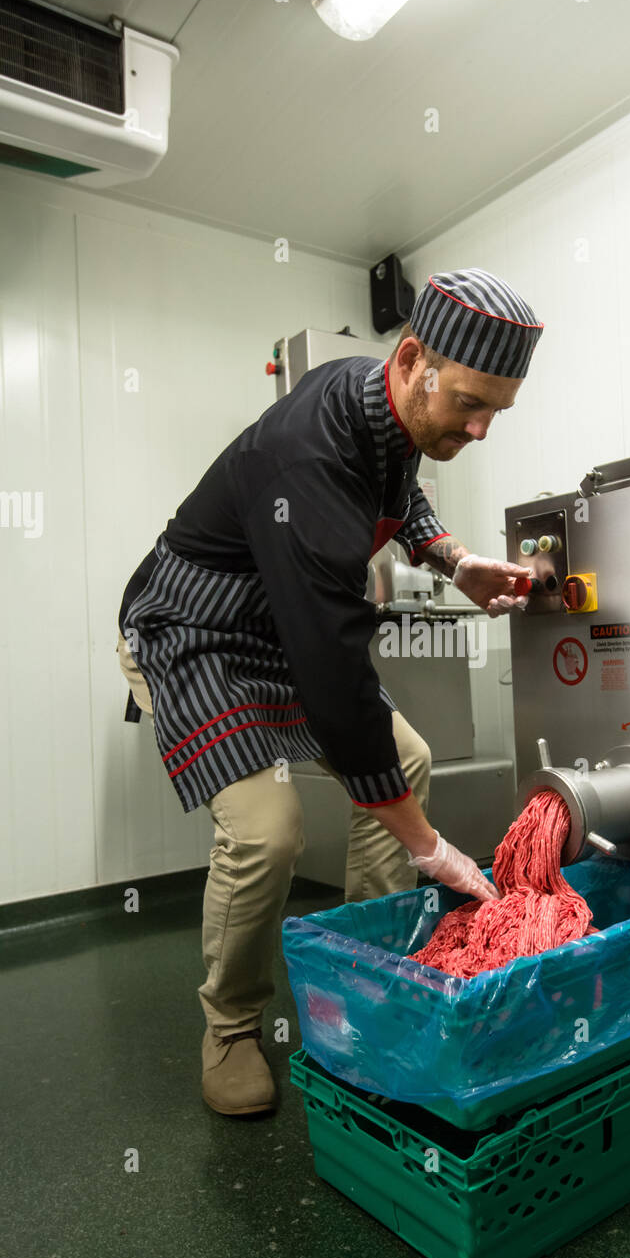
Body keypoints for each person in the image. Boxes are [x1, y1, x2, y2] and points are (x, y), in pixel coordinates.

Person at [116, 267, 543, 1115]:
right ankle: (233, 1025)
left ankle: (368, 967)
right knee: (268, 831)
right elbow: (336, 679)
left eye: (498, 408)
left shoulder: (377, 397)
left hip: (280, 627)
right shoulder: (304, 453)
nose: (483, 427)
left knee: (408, 759)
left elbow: (400, 494)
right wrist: (431, 848)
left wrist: (455, 561)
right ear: (414, 357)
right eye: (469, 403)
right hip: (196, 630)